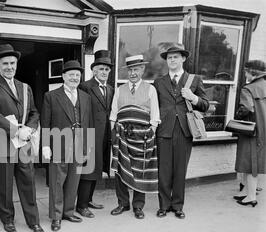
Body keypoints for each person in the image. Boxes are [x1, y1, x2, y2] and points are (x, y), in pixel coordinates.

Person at [0, 44, 45, 232]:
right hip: (2, 140)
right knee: (4, 184)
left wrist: (29, 127)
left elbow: (34, 112)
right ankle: (8, 220)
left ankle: (33, 221)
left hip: (24, 142)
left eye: (12, 63)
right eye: (5, 63)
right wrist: (14, 130)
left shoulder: (25, 87)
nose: (9, 67)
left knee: (28, 181)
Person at [153, 44, 209, 219]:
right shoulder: (159, 82)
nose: (172, 60)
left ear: (183, 59)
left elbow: (206, 105)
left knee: (179, 170)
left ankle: (177, 205)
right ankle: (163, 205)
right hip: (164, 131)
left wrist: (194, 98)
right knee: (163, 171)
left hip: (184, 131)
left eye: (175, 57)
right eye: (169, 57)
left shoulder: (194, 80)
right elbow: (154, 107)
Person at [41, 60, 93, 232]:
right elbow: (45, 123)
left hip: (79, 145)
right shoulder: (51, 96)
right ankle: (56, 216)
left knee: (73, 181)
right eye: (71, 74)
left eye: (77, 75)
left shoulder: (85, 97)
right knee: (57, 181)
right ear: (63, 76)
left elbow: (89, 123)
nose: (74, 78)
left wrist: (88, 147)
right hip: (58, 143)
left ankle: (68, 212)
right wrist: (46, 146)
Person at [109, 55, 160, 219]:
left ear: (142, 70)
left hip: (142, 138)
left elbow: (155, 115)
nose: (132, 73)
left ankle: (138, 206)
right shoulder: (119, 89)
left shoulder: (150, 89)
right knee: (120, 169)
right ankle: (122, 203)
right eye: (130, 70)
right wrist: (115, 134)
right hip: (122, 136)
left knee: (140, 169)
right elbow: (113, 115)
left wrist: (150, 132)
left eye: (136, 69)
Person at [75, 50, 114, 218]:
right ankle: (81, 205)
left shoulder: (111, 89)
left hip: (105, 134)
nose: (104, 72)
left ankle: (89, 200)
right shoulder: (85, 86)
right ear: (94, 71)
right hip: (90, 133)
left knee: (97, 168)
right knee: (88, 169)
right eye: (101, 69)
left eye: (106, 69)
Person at [233, 60, 266, 207]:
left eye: (246, 71)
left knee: (250, 162)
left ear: (252, 73)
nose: (245, 74)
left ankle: (251, 196)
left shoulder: (248, 89)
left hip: (251, 131)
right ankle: (245, 190)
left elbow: (246, 109)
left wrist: (237, 115)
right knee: (253, 161)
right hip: (263, 130)